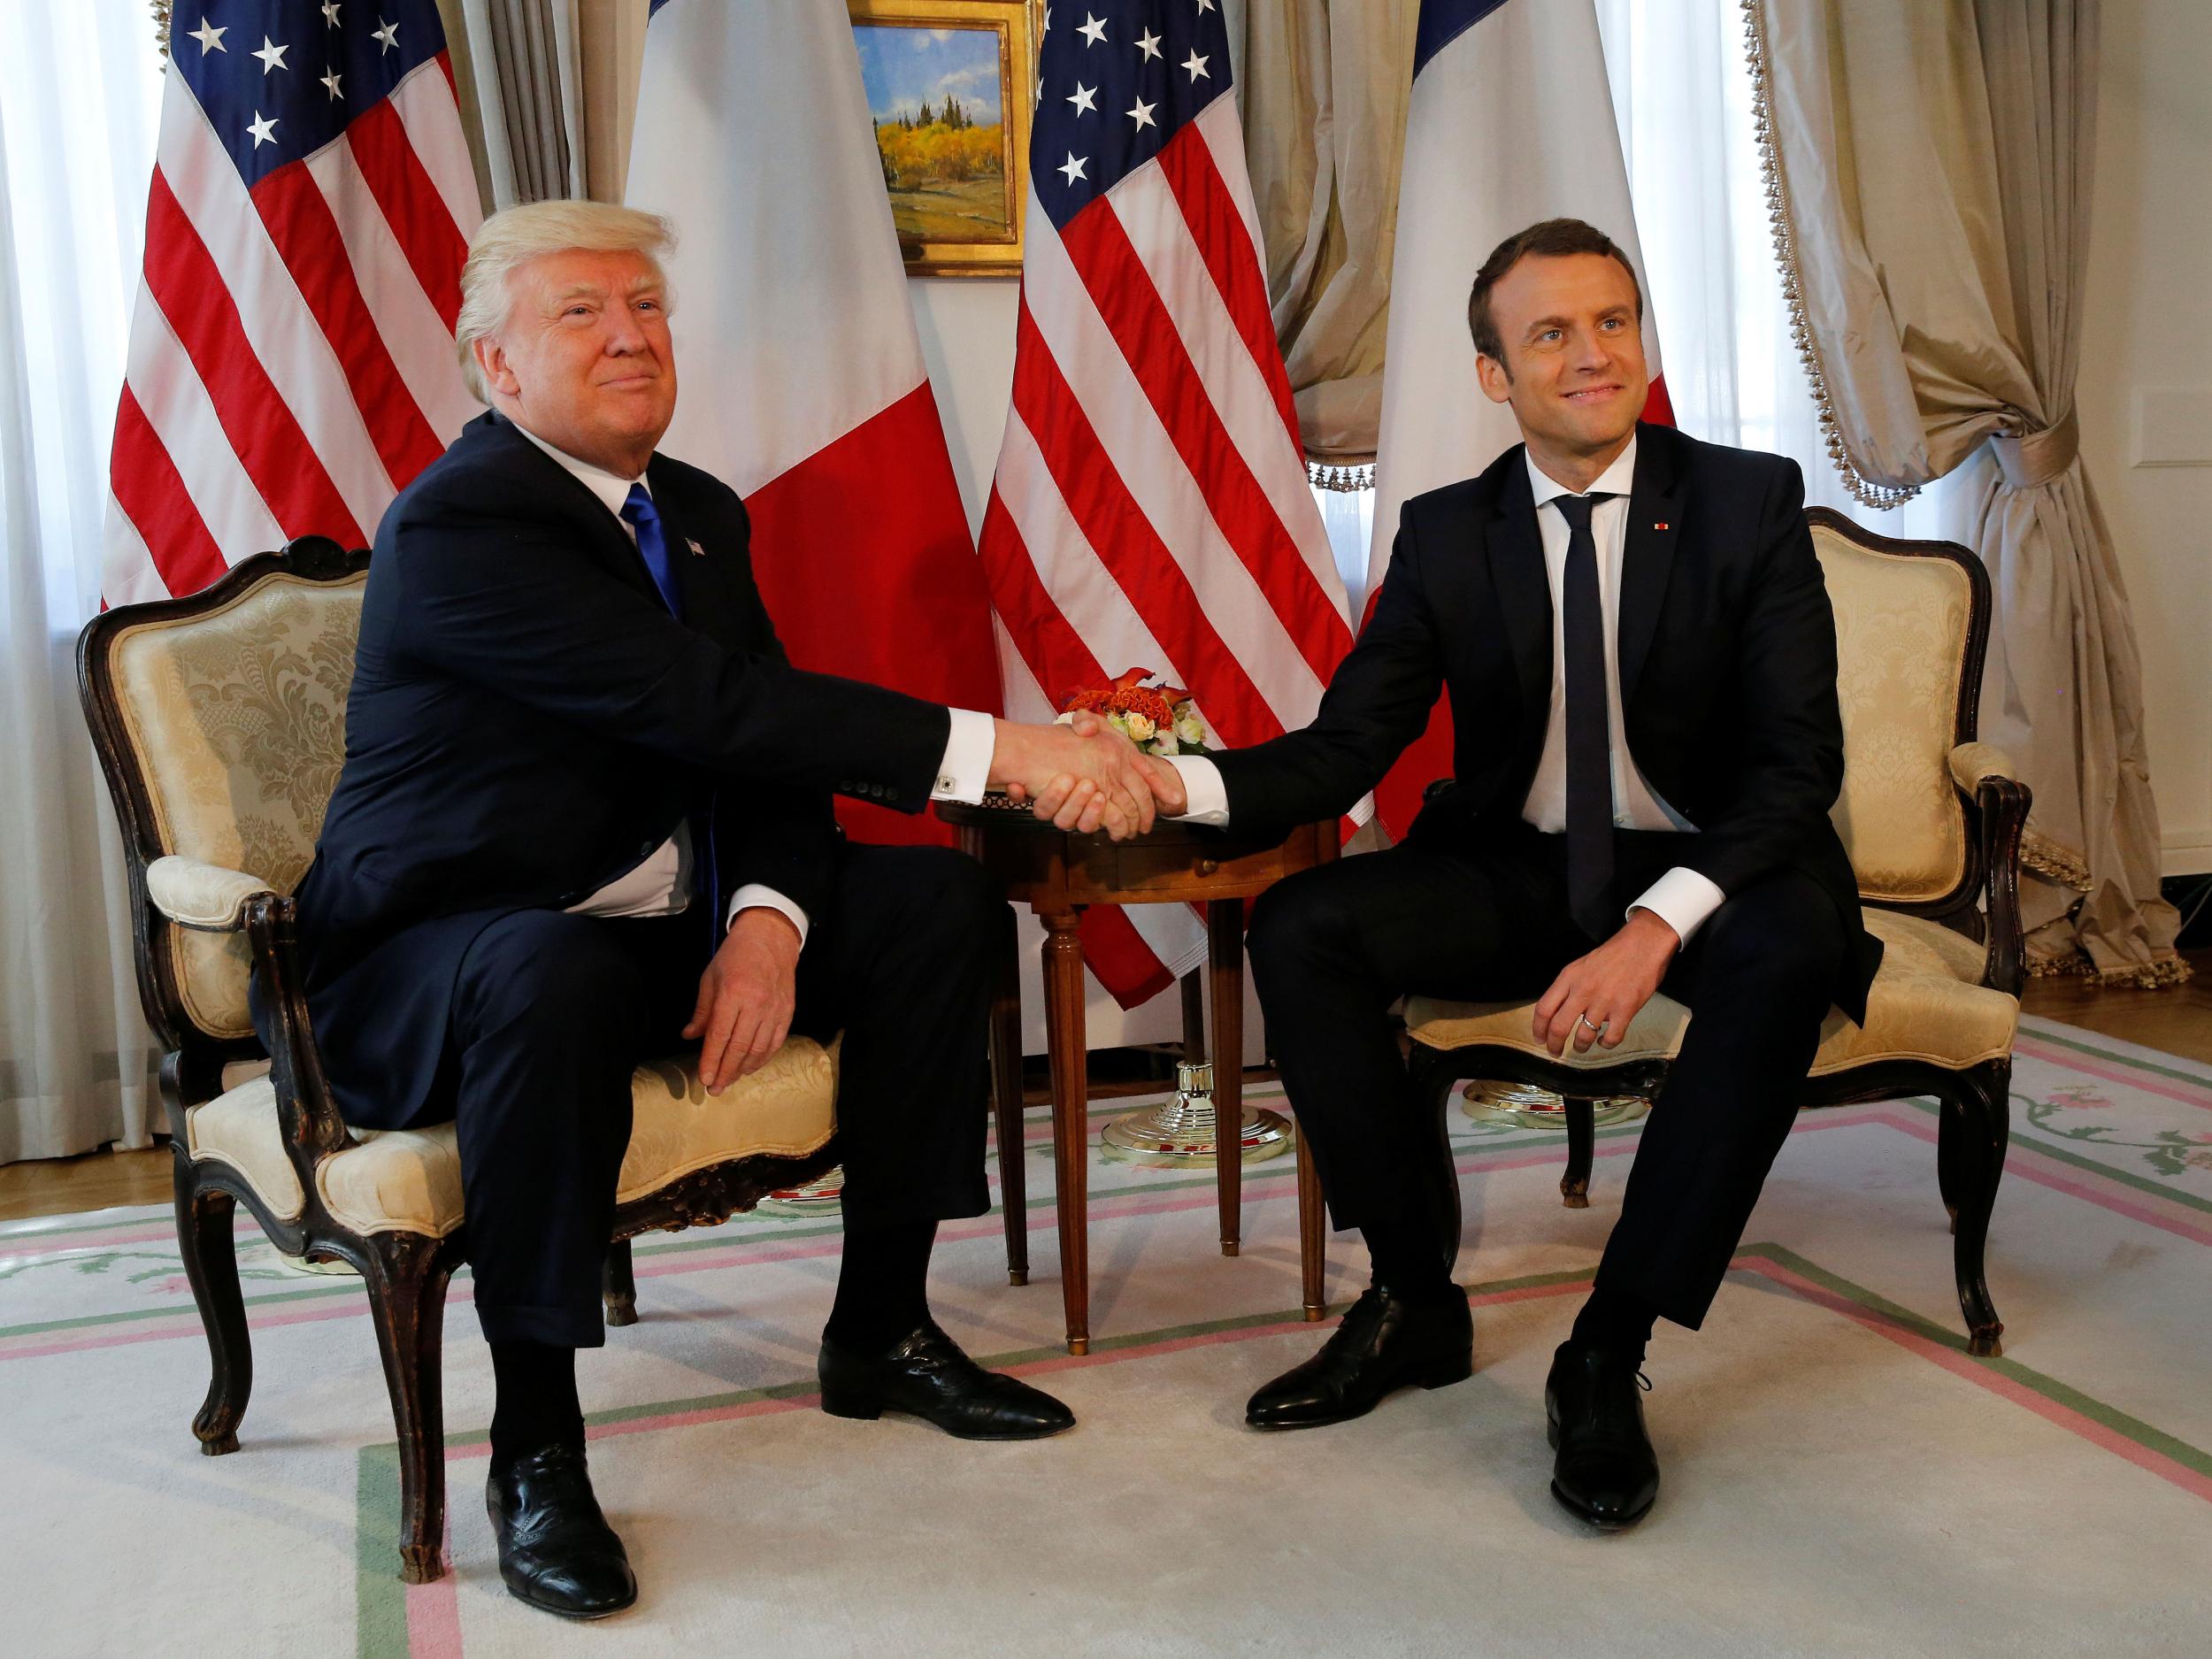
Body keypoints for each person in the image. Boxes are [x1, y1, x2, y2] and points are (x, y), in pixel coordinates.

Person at [255, 200, 1178, 1618]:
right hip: (444, 951)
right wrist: (1005, 754)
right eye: (582, 313)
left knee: (933, 901)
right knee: (542, 969)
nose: (631, 334)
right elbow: (701, 700)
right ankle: (538, 1449)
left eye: (646, 307)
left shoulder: (691, 509)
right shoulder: (463, 522)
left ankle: (882, 1331)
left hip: (645, 927)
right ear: (497, 368)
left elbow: (763, 750)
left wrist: (767, 922)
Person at [1048, 218, 1881, 1530]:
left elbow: (1794, 769)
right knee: (1305, 924)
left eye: (1613, 321)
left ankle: (1606, 1347)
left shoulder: (1745, 500)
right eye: (1551, 332)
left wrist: (1653, 933)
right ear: (1496, 375)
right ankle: (1412, 1303)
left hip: (1724, 868)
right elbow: (1339, 752)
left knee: (1787, 952)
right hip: (1527, 865)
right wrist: (1171, 785)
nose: (1594, 354)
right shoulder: (1449, 533)